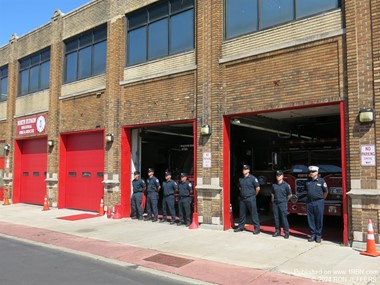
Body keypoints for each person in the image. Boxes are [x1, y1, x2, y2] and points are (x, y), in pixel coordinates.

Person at [234, 164, 261, 235]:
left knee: (253, 214)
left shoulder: (253, 178)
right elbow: (239, 187)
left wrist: (254, 195)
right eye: (243, 169)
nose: (244, 170)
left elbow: (257, 188)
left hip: (251, 198)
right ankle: (241, 227)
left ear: (248, 170)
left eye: (245, 169)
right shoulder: (241, 179)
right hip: (243, 199)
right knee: (242, 214)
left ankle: (256, 229)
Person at [305, 165, 328, 243]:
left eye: (313, 171)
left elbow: (326, 192)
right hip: (309, 202)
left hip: (319, 202)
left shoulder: (321, 181)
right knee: (310, 219)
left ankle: (318, 235)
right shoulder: (307, 181)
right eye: (310, 172)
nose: (311, 173)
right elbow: (306, 192)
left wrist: (321, 199)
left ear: (317, 172)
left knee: (319, 219)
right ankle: (313, 234)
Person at [271, 170, 292, 239]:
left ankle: (286, 232)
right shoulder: (274, 185)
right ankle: (277, 231)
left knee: (284, 218)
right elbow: (272, 193)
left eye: (279, 175)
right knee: (276, 218)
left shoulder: (286, 185)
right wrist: (273, 200)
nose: (278, 177)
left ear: (282, 176)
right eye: (277, 175)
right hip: (275, 203)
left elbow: (290, 195)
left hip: (282, 203)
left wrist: (285, 201)